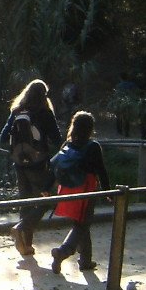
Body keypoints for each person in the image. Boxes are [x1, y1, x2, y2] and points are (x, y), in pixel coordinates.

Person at [0, 78, 62, 259]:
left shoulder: (17, 111)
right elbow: (57, 139)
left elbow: (2, 137)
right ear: (44, 96)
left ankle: (26, 245)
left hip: (19, 164)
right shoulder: (45, 113)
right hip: (39, 164)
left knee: (24, 201)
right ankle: (21, 228)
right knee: (45, 200)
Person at [47, 110, 112, 275]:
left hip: (67, 188)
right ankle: (62, 252)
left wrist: (47, 188)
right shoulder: (93, 146)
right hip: (85, 188)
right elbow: (102, 171)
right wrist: (108, 191)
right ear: (90, 128)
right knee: (82, 224)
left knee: (83, 223)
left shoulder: (67, 145)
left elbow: (53, 166)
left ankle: (85, 260)